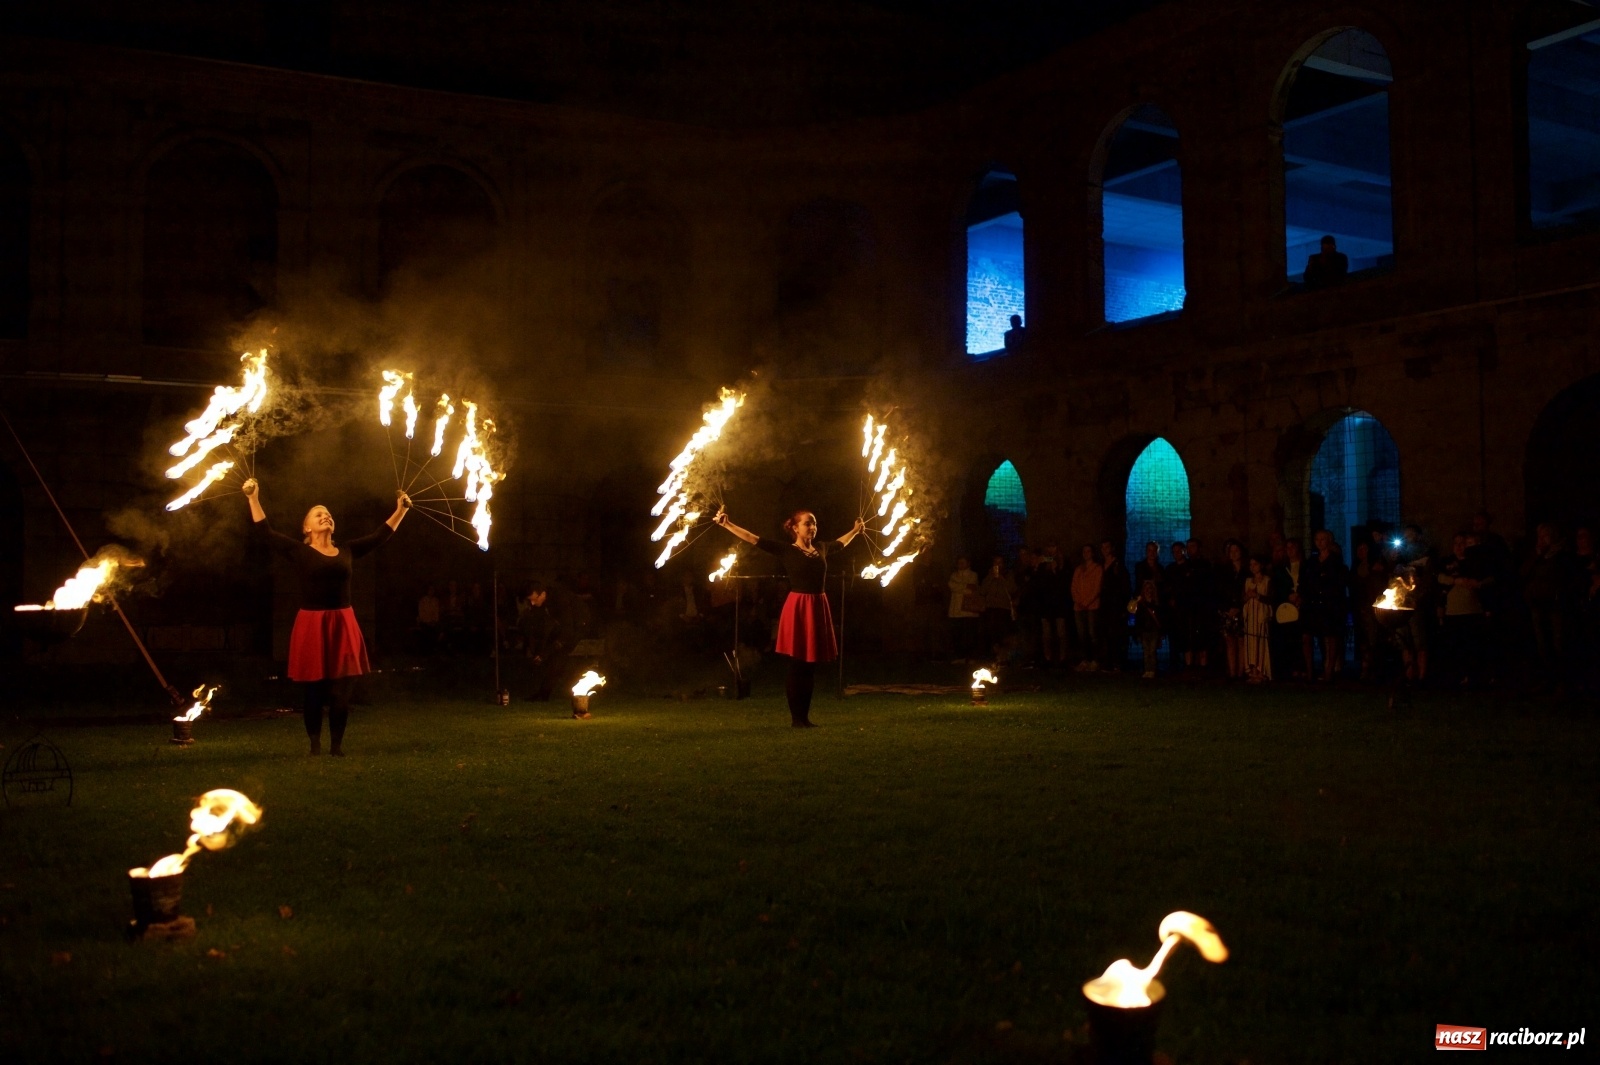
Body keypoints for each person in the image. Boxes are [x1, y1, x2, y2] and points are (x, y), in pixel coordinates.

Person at [242, 477, 411, 756]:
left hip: (343, 623)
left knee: (341, 693)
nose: (326, 516)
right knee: (314, 692)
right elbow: (265, 533)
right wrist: (253, 498)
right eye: (319, 514)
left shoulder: (346, 550)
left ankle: (336, 747)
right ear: (306, 527)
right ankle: (315, 745)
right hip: (312, 624)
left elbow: (380, 536)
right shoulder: (299, 551)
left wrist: (401, 509)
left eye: (329, 514)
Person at [713, 508, 863, 727]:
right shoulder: (786, 551)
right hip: (799, 607)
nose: (812, 527)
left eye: (814, 524)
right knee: (797, 664)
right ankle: (797, 719)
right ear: (795, 528)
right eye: (807, 523)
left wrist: (856, 530)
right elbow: (753, 538)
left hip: (818, 605)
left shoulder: (821, 548)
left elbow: (841, 543)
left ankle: (805, 718)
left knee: (810, 665)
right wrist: (726, 524)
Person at [1302, 530, 1348, 682]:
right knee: (1308, 635)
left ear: (1329, 541)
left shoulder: (1336, 561)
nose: (1320, 542)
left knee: (1331, 636)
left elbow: (1338, 583)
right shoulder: (1312, 561)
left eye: (1323, 539)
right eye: (1317, 539)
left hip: (1329, 604)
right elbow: (1306, 581)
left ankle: (1329, 671)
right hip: (1313, 604)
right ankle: (1309, 672)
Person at [1217, 539, 1248, 679]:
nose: (1234, 553)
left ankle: (1241, 672)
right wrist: (1227, 608)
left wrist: (1239, 607)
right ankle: (1232, 672)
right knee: (1229, 641)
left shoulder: (1247, 571)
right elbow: (1220, 591)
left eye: (1236, 550)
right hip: (1227, 610)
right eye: (1231, 551)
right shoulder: (1223, 571)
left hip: (1242, 610)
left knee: (1241, 641)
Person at [1070, 545, 1104, 672]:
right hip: (1079, 607)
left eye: (1088, 551)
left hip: (1092, 606)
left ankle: (1095, 660)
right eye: (1084, 551)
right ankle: (1084, 659)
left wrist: (1087, 601)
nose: (1086, 553)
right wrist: (1078, 600)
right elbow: (1073, 586)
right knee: (1082, 635)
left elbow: (1097, 588)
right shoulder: (1079, 569)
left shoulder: (1097, 568)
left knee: (1092, 633)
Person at [1099, 540, 1130, 673]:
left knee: (1116, 634)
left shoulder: (1118, 566)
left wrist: (1123, 606)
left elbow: (1124, 587)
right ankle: (1108, 662)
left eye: (1107, 546)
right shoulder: (1100, 565)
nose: (1105, 549)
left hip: (1116, 605)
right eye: (1103, 547)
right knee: (1106, 634)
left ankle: (1118, 662)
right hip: (1104, 605)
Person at [979, 556, 1017, 662]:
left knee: (1002, 634)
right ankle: (992, 656)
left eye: (1000, 562)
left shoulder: (1008, 575)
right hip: (990, 608)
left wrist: (1002, 578)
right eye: (996, 562)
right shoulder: (989, 575)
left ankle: (1003, 657)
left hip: (1003, 608)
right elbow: (983, 590)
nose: (998, 565)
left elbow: (1012, 589)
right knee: (991, 633)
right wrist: (990, 577)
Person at [1242, 556, 1273, 682]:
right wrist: (1248, 596)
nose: (1253, 567)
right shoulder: (1248, 581)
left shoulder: (1267, 581)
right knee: (1251, 643)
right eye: (1251, 564)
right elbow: (1243, 599)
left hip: (1260, 617)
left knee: (1260, 642)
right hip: (1250, 617)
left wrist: (1257, 595)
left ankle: (1262, 671)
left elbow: (1270, 598)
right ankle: (1252, 671)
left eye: (1255, 564)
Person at [947, 557, 981, 663]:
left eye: (963, 562)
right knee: (957, 634)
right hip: (955, 611)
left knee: (969, 635)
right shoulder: (953, 575)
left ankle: (970, 656)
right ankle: (959, 657)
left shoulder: (973, 575)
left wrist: (959, 586)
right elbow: (951, 586)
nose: (960, 564)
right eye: (959, 562)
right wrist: (963, 586)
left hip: (968, 611)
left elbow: (971, 588)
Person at [1134, 580, 1163, 679]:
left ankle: (1152, 670)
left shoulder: (1156, 603)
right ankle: (1147, 670)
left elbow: (1160, 617)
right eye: (1146, 589)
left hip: (1154, 630)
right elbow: (1136, 616)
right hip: (1144, 630)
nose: (1148, 591)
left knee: (1152, 651)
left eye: (1150, 588)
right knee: (1146, 652)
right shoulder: (1141, 604)